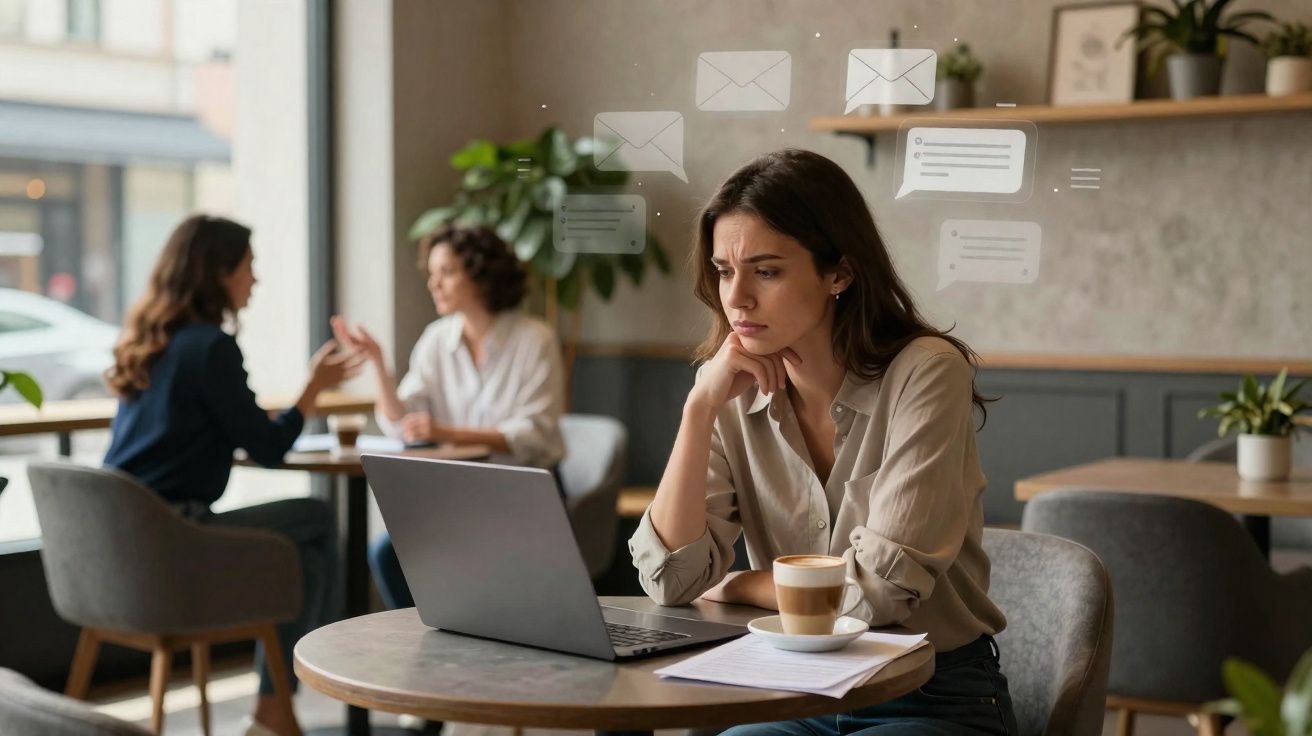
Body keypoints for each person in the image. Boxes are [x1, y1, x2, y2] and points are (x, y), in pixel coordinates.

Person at [629, 150, 1020, 736]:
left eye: (766, 271)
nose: (736, 298)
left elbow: (877, 595)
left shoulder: (927, 372)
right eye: (723, 270)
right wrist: (698, 409)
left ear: (839, 272)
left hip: (930, 695)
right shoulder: (724, 386)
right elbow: (671, 580)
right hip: (788, 690)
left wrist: (738, 583)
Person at [103, 214, 361, 736]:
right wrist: (312, 390)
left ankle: (274, 705)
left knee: (300, 549)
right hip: (176, 535)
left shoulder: (153, 342)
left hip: (120, 546)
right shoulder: (210, 347)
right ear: (218, 272)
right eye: (249, 266)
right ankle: (284, 698)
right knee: (313, 520)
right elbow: (267, 448)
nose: (256, 279)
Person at [332, 224, 564, 610]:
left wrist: (444, 431)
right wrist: (378, 363)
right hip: (460, 492)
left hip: (524, 490)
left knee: (473, 565)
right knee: (388, 554)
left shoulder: (534, 339)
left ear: (479, 273)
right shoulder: (437, 339)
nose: (433, 284)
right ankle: (436, 648)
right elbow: (400, 422)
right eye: (432, 273)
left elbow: (534, 435)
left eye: (447, 272)